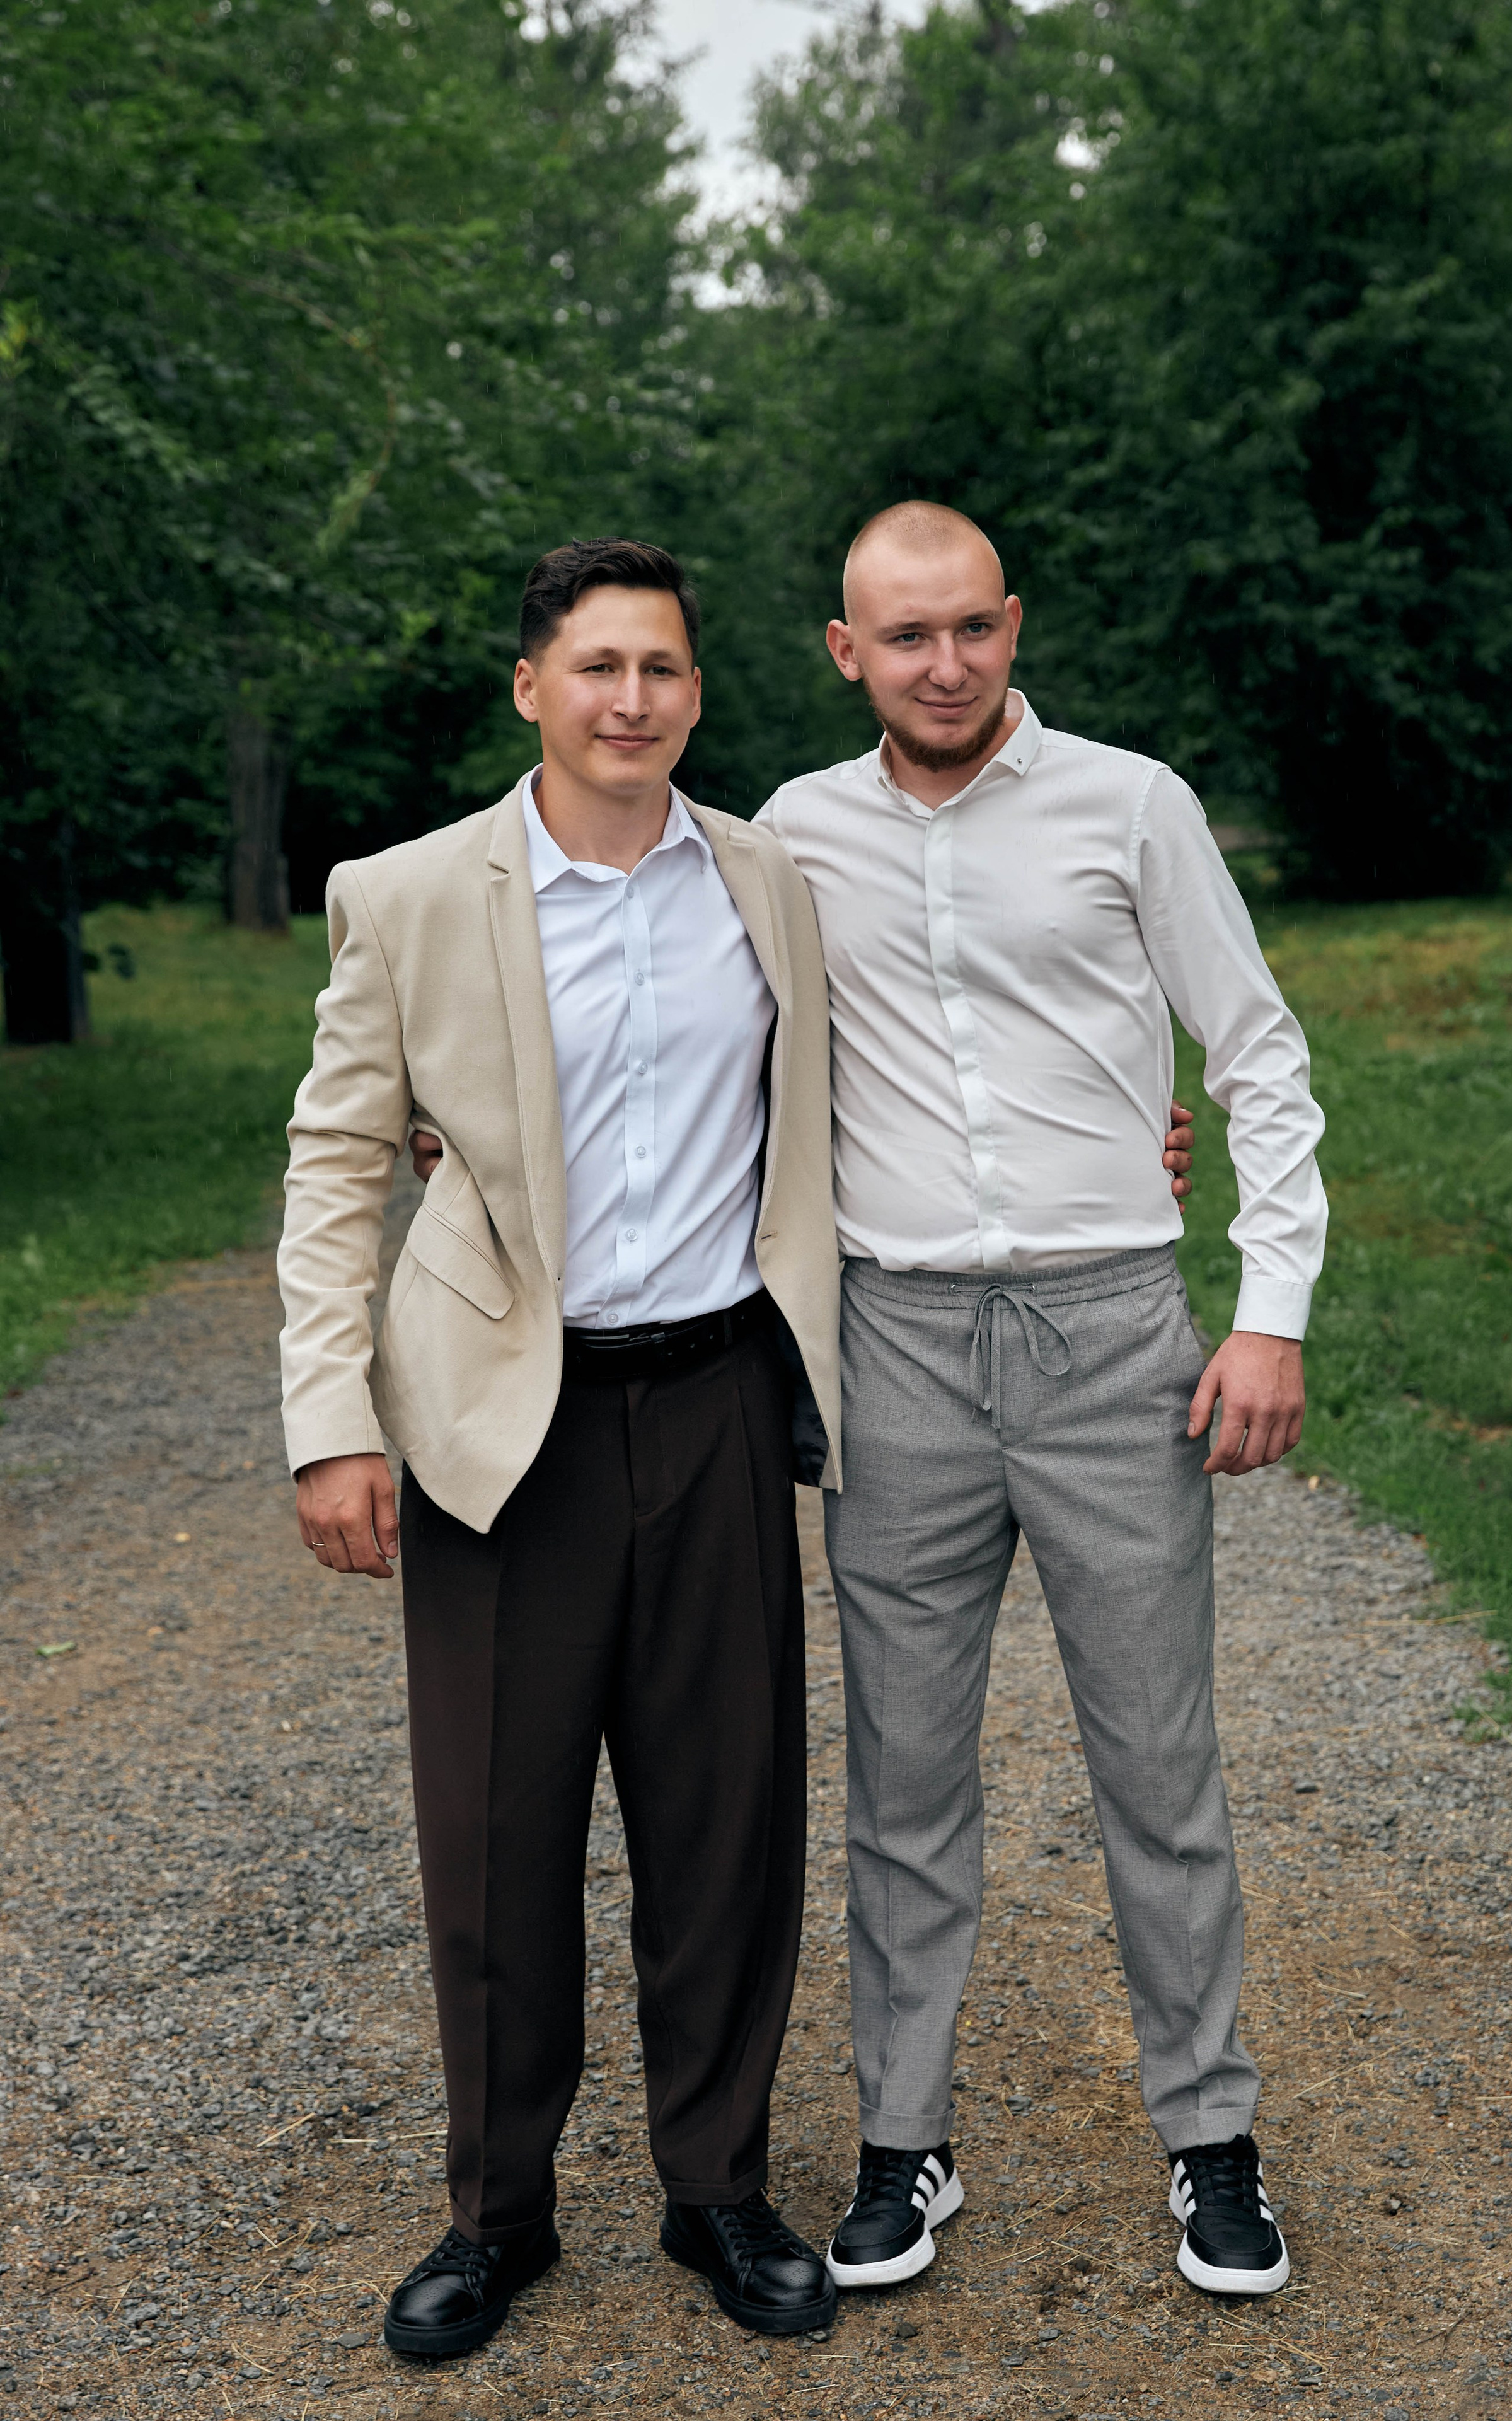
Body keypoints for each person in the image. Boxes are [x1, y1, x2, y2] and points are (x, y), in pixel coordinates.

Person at [277, 538, 848, 2356]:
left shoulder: (771, 880)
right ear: (531, 686)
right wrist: (327, 1420)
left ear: (695, 691)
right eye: (596, 666)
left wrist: (1110, 1130)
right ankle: (497, 2214)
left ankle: (717, 2187)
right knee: (498, 1835)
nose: (631, 699)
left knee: (726, 1822)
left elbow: (886, 1077)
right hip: (493, 1428)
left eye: (662, 668)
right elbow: (334, 1163)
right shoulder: (415, 892)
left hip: (715, 1401)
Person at [753, 501, 1327, 2303]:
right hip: (899, 1341)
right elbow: (689, 1047)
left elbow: (1258, 1054)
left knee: (1158, 1765)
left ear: (1014, 624)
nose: (944, 664)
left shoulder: (1132, 804)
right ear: (846, 654)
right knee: (903, 1777)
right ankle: (900, 2139)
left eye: (971, 628)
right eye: (903, 637)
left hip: (1110, 1334)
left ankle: (1212, 2139)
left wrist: (1272, 1310)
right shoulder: (791, 833)